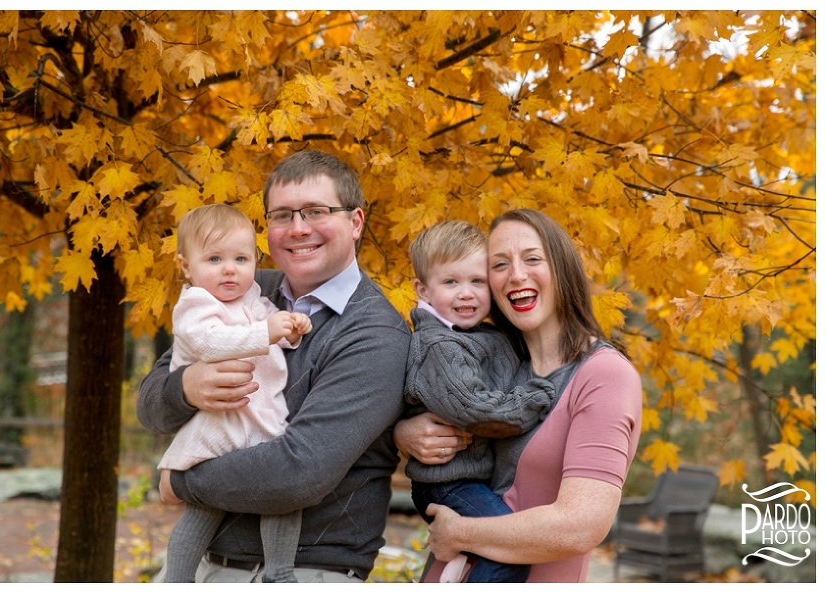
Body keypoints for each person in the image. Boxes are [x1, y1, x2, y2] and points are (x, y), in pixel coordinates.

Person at [137, 150, 412, 583]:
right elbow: (150, 407)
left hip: (308, 570)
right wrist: (186, 388)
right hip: (209, 564)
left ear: (356, 222)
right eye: (283, 215)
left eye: (316, 212)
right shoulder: (240, 288)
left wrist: (180, 483)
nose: (298, 228)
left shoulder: (374, 334)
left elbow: (298, 473)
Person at [395, 208, 642, 582]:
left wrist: (460, 532)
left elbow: (581, 526)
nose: (516, 274)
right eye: (499, 264)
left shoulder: (604, 374)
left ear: (561, 268)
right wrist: (405, 432)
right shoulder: (496, 357)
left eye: (532, 258)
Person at [156, 203, 312, 582]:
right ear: (186, 266)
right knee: (204, 508)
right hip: (219, 424)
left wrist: (291, 328)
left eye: (241, 258)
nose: (230, 268)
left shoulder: (255, 301)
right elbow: (210, 344)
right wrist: (267, 332)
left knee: (282, 499)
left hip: (260, 418)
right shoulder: (196, 305)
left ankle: (279, 571)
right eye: (214, 258)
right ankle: (177, 577)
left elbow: (275, 340)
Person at [403, 220, 556, 582]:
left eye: (477, 281)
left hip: (476, 480)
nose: (466, 294)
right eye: (451, 282)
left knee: (499, 544)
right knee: (510, 549)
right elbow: (473, 409)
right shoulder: (438, 346)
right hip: (447, 482)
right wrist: (536, 399)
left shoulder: (488, 335)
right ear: (423, 290)